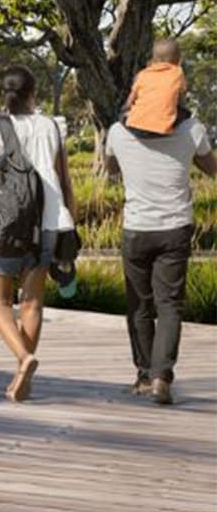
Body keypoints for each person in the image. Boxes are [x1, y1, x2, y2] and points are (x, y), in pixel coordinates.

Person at [0, 67, 76, 403]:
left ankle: (23, 359)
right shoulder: (53, 126)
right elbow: (65, 181)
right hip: (49, 224)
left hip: (7, 226)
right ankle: (26, 379)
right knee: (32, 303)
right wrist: (71, 226)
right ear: (33, 93)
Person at [105, 101, 214, 406]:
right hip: (175, 228)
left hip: (137, 228)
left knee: (138, 303)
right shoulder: (191, 129)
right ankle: (161, 377)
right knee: (169, 305)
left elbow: (111, 167)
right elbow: (211, 167)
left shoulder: (117, 131)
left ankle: (143, 375)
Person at [124, 37, 189, 138]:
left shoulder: (143, 74)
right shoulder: (178, 72)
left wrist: (126, 110)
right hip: (161, 130)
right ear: (178, 59)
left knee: (121, 114)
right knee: (185, 113)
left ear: (153, 59)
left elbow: (130, 101)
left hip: (134, 127)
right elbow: (180, 99)